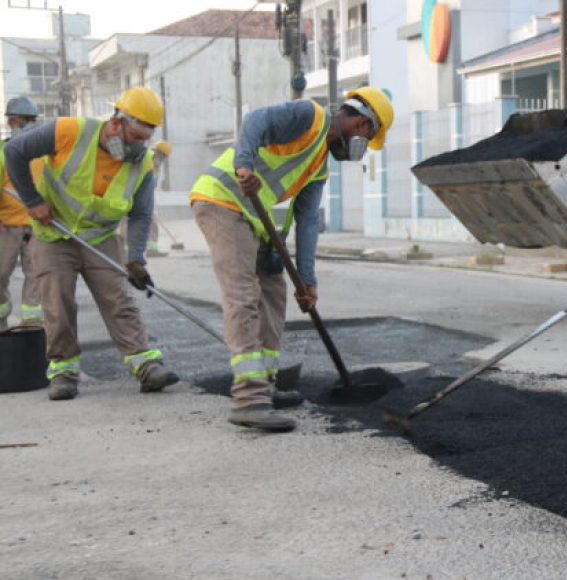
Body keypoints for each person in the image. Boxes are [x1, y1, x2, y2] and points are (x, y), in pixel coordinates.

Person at [189, 88, 393, 432]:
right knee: (243, 296)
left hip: (254, 216)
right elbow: (255, 121)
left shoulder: (319, 168)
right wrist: (243, 165)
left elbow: (307, 221)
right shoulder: (309, 116)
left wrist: (307, 280)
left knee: (274, 293)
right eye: (368, 137)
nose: (361, 147)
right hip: (222, 199)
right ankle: (249, 399)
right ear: (361, 125)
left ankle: (266, 386)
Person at [3, 87, 180, 400]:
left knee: (118, 298)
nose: (139, 146)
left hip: (100, 237)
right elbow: (15, 151)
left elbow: (140, 215)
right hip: (54, 233)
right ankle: (64, 371)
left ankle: (144, 364)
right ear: (115, 123)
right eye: (134, 137)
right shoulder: (70, 131)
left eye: (145, 139)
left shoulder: (142, 164)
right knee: (57, 301)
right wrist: (32, 201)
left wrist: (136, 258)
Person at [0, 96, 43, 327]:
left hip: (37, 225)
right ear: (11, 122)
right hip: (6, 225)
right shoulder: (3, 151)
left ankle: (32, 324)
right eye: (21, 120)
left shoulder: (44, 152)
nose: (27, 124)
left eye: (30, 120)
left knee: (36, 274)